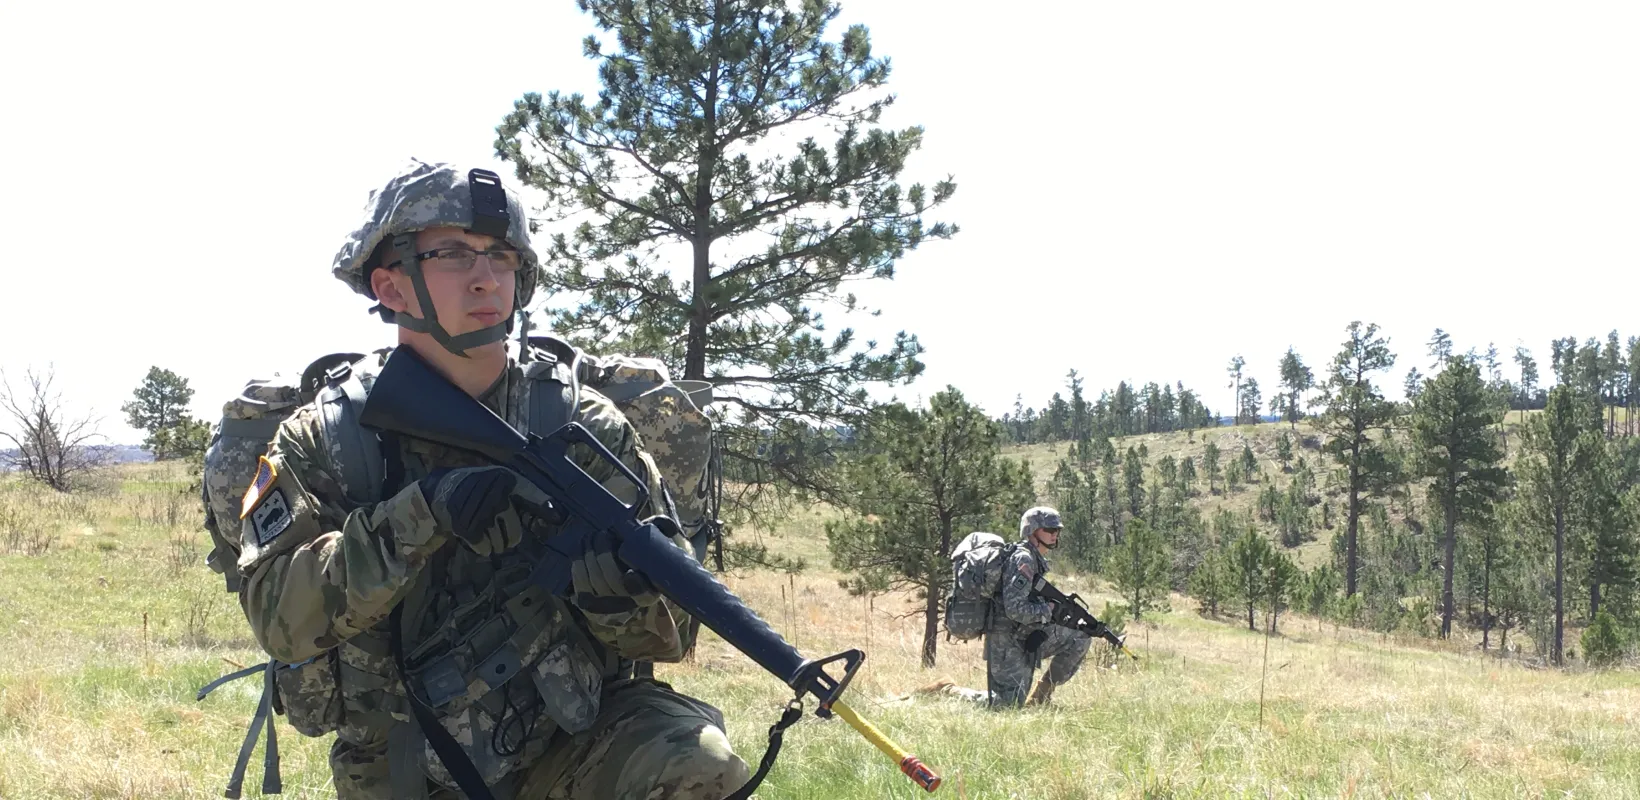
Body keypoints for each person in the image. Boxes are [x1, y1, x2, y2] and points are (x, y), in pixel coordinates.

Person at [234, 160, 748, 799]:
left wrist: (621, 594)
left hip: (574, 740)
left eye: (501, 256)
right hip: (403, 762)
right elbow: (279, 618)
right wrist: (417, 517)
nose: (484, 278)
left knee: (698, 761)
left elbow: (674, 633)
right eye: (452, 255)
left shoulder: (579, 422)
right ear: (390, 288)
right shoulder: (333, 438)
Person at [984, 506, 1093, 708]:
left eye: (1057, 531)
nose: (1055, 535)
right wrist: (1048, 610)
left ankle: (1042, 696)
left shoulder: (1035, 559)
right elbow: (1015, 609)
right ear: (1031, 531)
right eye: (1050, 530)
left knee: (1080, 635)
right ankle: (949, 691)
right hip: (1006, 642)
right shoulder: (1023, 559)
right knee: (1006, 705)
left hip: (1024, 635)